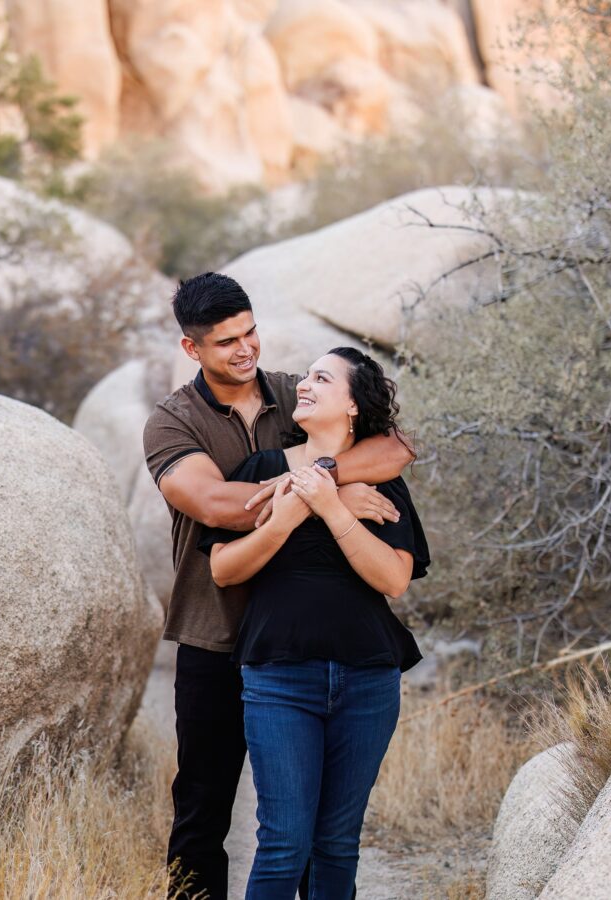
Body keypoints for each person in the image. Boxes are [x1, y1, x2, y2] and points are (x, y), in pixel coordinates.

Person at [143, 273, 414, 899]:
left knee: (312, 827)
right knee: (203, 809)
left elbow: (394, 447)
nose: (245, 350)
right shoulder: (172, 423)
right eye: (225, 343)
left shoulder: (296, 393)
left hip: (302, 637)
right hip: (216, 632)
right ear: (192, 349)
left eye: (250, 332)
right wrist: (330, 491)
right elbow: (216, 503)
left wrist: (323, 482)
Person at [202, 347, 427, 900]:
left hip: (368, 681)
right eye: (305, 376)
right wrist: (299, 506)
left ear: (352, 405)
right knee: (283, 844)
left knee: (337, 845)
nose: (304, 384)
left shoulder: (382, 482)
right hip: (279, 680)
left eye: (321, 378)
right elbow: (225, 570)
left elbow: (394, 580)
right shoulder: (263, 470)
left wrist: (331, 507)